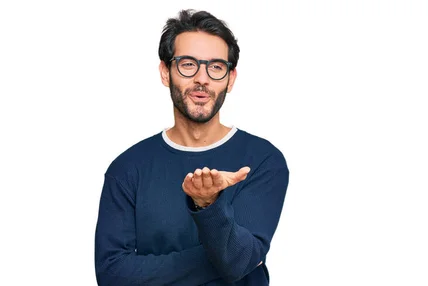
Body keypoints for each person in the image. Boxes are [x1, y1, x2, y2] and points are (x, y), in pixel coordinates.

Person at [94, 9, 289, 286]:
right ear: (166, 72)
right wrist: (231, 259)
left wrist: (208, 205)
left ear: (230, 79)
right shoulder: (127, 168)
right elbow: (112, 275)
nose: (202, 78)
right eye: (188, 64)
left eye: (216, 67)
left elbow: (239, 260)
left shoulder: (262, 161)